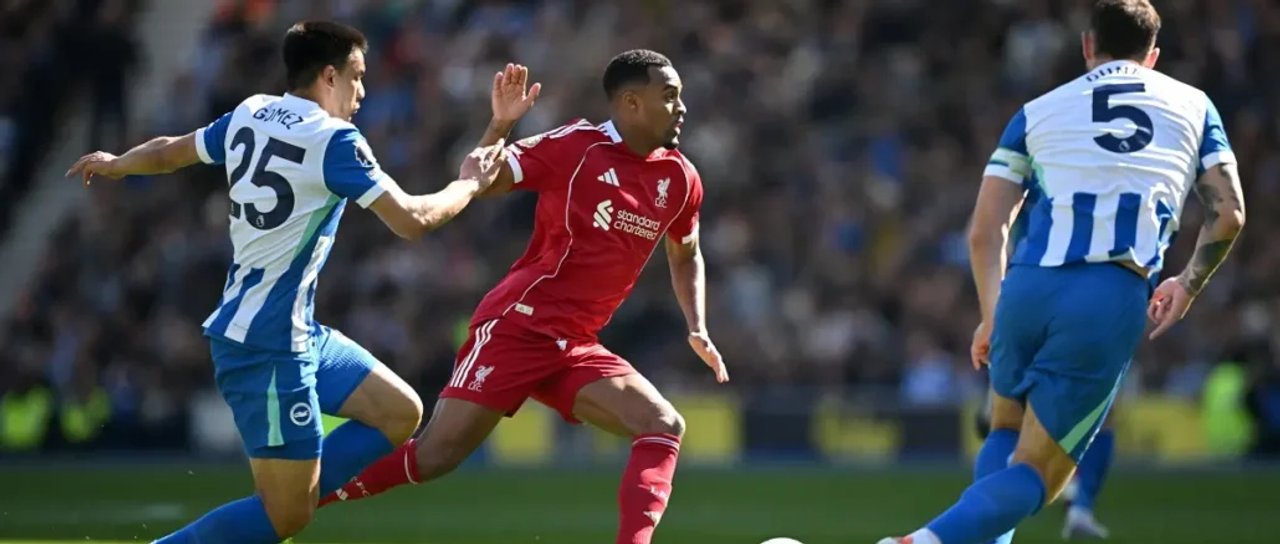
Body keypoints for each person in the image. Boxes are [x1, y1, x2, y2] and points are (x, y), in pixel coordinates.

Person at [66, 20, 505, 544]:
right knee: (285, 518)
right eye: (357, 77)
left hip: (293, 330)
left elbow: (169, 151)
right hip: (268, 344)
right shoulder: (334, 139)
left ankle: (294, 490)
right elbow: (412, 220)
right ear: (329, 76)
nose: (362, 92)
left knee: (399, 412)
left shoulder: (252, 112)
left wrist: (119, 163)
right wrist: (468, 184)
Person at [320, 50, 728, 544]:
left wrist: (697, 325)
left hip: (575, 342)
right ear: (630, 103)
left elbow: (686, 254)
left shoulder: (681, 178)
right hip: (520, 325)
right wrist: (499, 126)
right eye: (669, 96)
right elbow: (482, 180)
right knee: (435, 456)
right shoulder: (577, 146)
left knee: (662, 424)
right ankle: (302, 497)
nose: (681, 107)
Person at [879, 1, 1246, 543]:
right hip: (1107, 293)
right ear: (1153, 57)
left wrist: (991, 313)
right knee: (1041, 473)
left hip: (1027, 285)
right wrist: (1187, 284)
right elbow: (1229, 213)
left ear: (1087, 46)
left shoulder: (1038, 111)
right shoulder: (1195, 106)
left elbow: (986, 230)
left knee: (1005, 428)